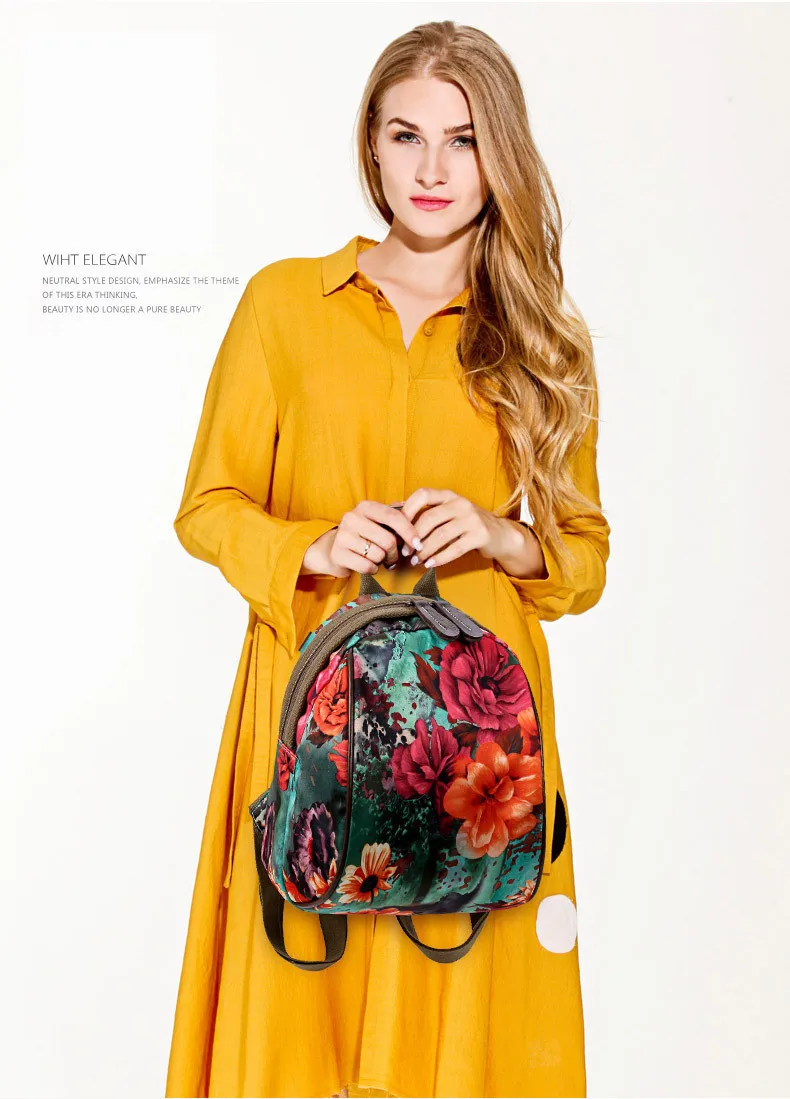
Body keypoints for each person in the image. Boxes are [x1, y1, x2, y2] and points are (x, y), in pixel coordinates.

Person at [165, 19, 611, 1099]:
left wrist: (498, 532)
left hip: (473, 738)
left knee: (460, 1022)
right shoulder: (285, 305)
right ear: (371, 142)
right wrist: (308, 542)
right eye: (407, 134)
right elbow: (206, 507)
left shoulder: (540, 334)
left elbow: (583, 558)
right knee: (296, 1006)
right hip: (310, 706)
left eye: (462, 140)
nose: (431, 168)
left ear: (499, 153)